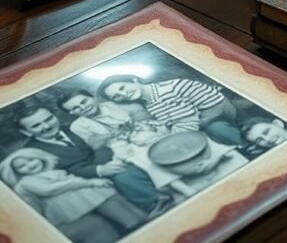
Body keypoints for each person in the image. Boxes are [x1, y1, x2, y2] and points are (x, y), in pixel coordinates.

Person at [12, 101, 160, 222]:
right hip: (82, 183)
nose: (46, 126)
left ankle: (164, 192)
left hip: (111, 159)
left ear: (55, 115)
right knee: (124, 176)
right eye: (36, 125)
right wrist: (99, 170)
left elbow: (99, 145)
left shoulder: (74, 128)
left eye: (49, 119)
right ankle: (155, 206)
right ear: (25, 131)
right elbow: (58, 174)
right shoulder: (31, 152)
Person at [0, 147, 124, 243]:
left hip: (75, 209)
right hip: (56, 218)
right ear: (16, 172)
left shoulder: (50, 172)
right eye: (21, 166)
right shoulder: (25, 183)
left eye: (31, 160)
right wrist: (89, 182)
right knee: (97, 226)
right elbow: (50, 189)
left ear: (39, 157)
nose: (29, 165)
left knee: (110, 211)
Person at [97, 74, 242, 145]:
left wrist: (168, 140)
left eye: (122, 87)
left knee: (213, 131)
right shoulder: (150, 103)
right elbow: (176, 121)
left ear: (134, 80)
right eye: (116, 96)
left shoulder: (166, 90)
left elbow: (188, 122)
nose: (123, 94)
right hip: (202, 117)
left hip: (219, 111)